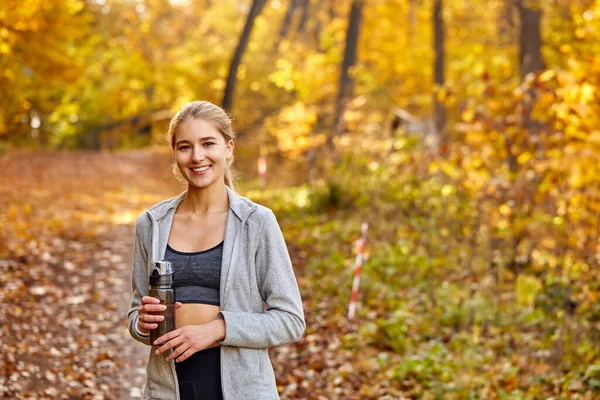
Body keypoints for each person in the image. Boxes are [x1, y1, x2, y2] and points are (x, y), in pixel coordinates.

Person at [126, 100, 306, 400]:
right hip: (169, 390)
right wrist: (142, 323)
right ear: (175, 154)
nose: (197, 156)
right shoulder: (151, 224)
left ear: (228, 148)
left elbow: (290, 320)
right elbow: (136, 315)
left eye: (208, 143)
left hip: (243, 389)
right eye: (185, 147)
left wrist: (218, 329)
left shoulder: (256, 223)